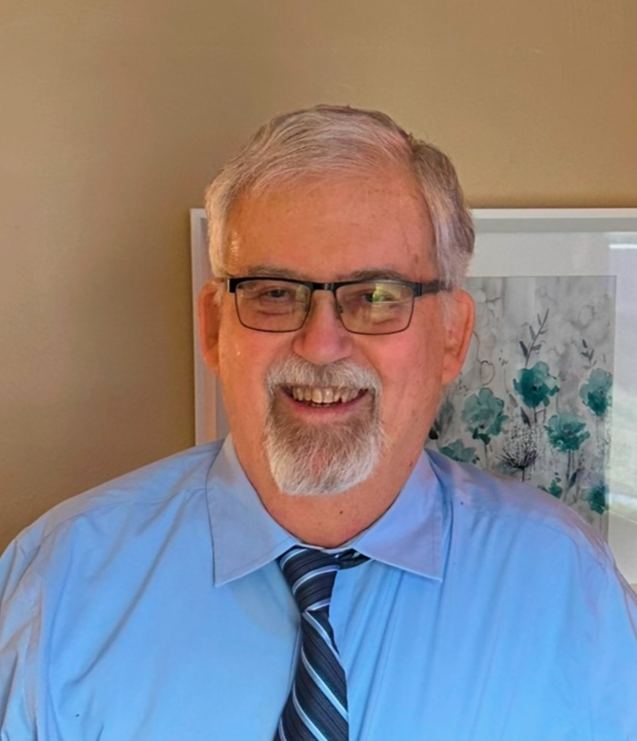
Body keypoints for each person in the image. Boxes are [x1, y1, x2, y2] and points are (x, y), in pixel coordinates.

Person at [1, 105, 636, 741]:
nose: (322, 345)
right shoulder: (57, 584)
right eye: (275, 293)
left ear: (452, 336)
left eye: (377, 296)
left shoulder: (568, 587)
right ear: (215, 328)